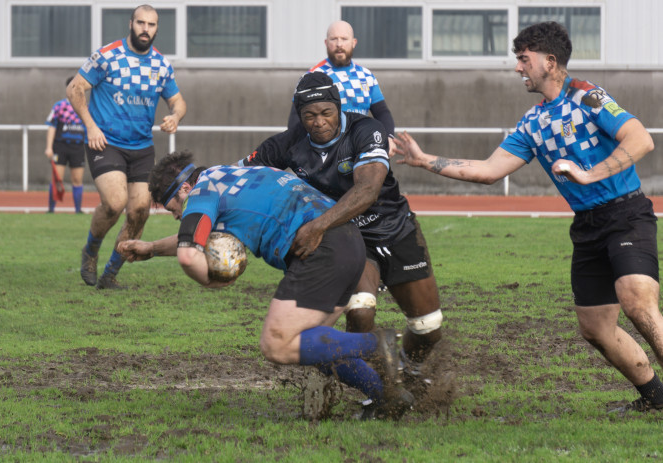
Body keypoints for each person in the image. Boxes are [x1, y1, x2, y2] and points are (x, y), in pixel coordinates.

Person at [394, 21, 663, 414]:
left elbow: (641, 139)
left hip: (627, 214)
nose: (518, 68)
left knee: (637, 302)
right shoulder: (533, 122)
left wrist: (590, 173)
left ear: (549, 62)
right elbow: (488, 170)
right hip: (587, 226)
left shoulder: (588, 97)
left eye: (523, 59)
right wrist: (424, 161)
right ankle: (655, 397)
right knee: (595, 328)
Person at [117, 151, 414, 420]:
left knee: (277, 343)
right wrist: (152, 247)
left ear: (184, 189)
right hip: (347, 242)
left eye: (173, 208)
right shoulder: (232, 174)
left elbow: (187, 254)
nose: (177, 216)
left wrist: (210, 280)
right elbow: (194, 235)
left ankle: (376, 344)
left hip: (321, 251)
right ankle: (387, 395)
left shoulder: (200, 192)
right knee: (311, 344)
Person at [239, 72, 445, 385]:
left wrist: (317, 226)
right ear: (299, 116)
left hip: (395, 229)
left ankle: (411, 370)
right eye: (309, 115)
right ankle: (379, 384)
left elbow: (367, 190)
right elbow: (239, 175)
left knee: (428, 327)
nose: (318, 122)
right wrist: (201, 188)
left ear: (338, 108)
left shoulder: (366, 130)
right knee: (360, 311)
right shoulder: (289, 142)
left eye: (326, 113)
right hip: (351, 239)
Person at [67, 4, 187, 290]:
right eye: (141, 23)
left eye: (152, 25)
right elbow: (75, 88)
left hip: (142, 148)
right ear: (131, 23)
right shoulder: (107, 56)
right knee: (115, 202)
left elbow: (178, 101)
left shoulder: (160, 65)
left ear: (157, 29)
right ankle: (91, 251)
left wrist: (175, 116)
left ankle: (110, 275)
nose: (146, 29)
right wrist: (91, 126)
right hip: (105, 142)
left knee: (139, 211)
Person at [287, 20, 396, 141]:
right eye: (334, 39)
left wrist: (389, 138)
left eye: (344, 39)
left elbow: (382, 113)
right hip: (324, 152)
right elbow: (295, 120)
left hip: (360, 147)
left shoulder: (366, 76)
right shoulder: (311, 77)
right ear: (326, 43)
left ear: (354, 43)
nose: (339, 44)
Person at [44, 76, 87, 214]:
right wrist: (49, 147)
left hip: (78, 147)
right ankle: (51, 210)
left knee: (77, 179)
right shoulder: (59, 106)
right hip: (60, 147)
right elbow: (51, 127)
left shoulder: (86, 107)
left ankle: (78, 210)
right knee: (57, 179)